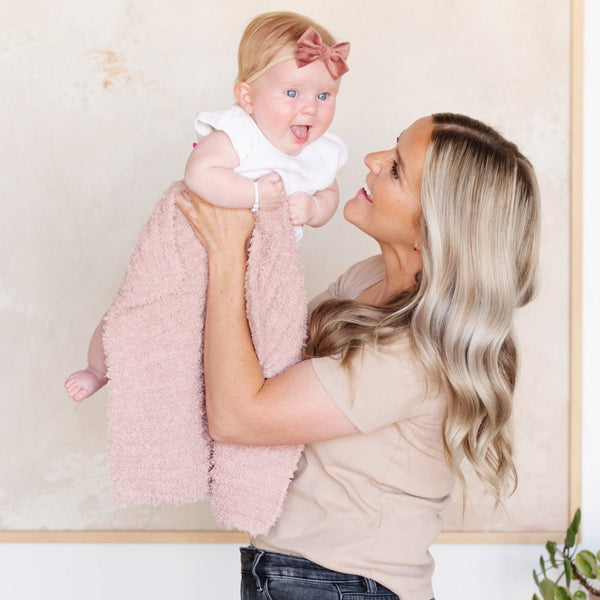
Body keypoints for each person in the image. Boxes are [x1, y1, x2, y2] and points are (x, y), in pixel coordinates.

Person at [176, 112, 541, 600]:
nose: (370, 160)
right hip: (303, 574)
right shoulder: (369, 279)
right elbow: (261, 351)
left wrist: (227, 254)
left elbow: (240, 415)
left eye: (395, 169)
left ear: (433, 227)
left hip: (345, 584)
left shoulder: (415, 353)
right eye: (391, 148)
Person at [64, 11, 349, 403]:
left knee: (230, 339)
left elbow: (329, 193)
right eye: (292, 93)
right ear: (247, 97)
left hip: (254, 270)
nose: (310, 109)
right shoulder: (240, 132)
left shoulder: (321, 151)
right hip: (194, 253)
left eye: (324, 95)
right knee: (141, 310)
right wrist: (253, 195)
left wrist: (315, 209)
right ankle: (98, 367)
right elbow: (200, 173)